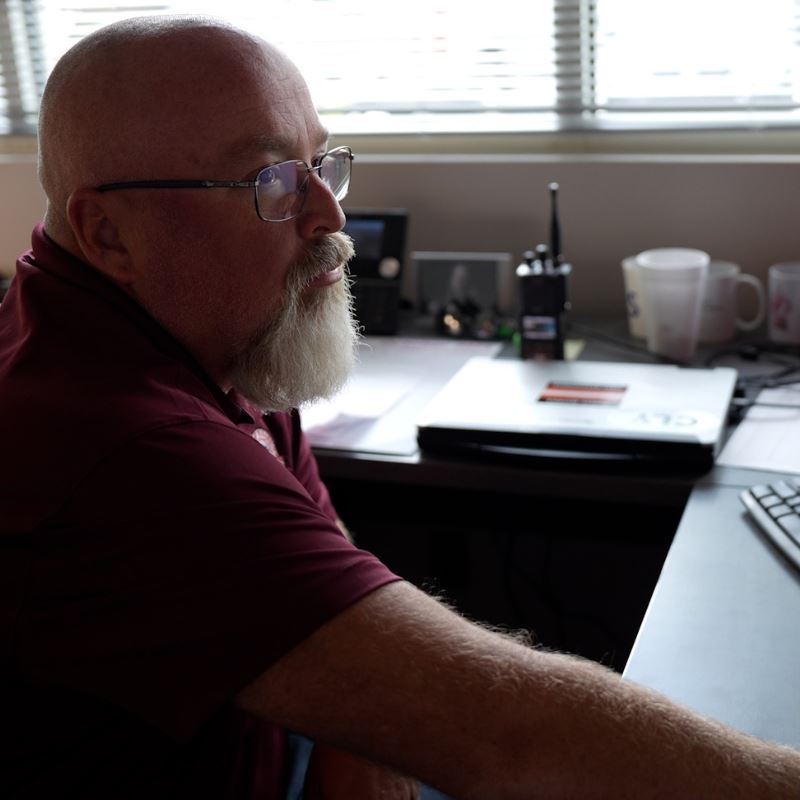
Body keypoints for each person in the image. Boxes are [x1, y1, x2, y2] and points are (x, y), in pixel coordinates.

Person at [0, 14, 799, 800]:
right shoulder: (124, 452)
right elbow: (508, 736)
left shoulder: (210, 328)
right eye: (271, 181)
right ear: (110, 234)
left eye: (321, 163)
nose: (330, 213)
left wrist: (364, 738)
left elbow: (318, 544)